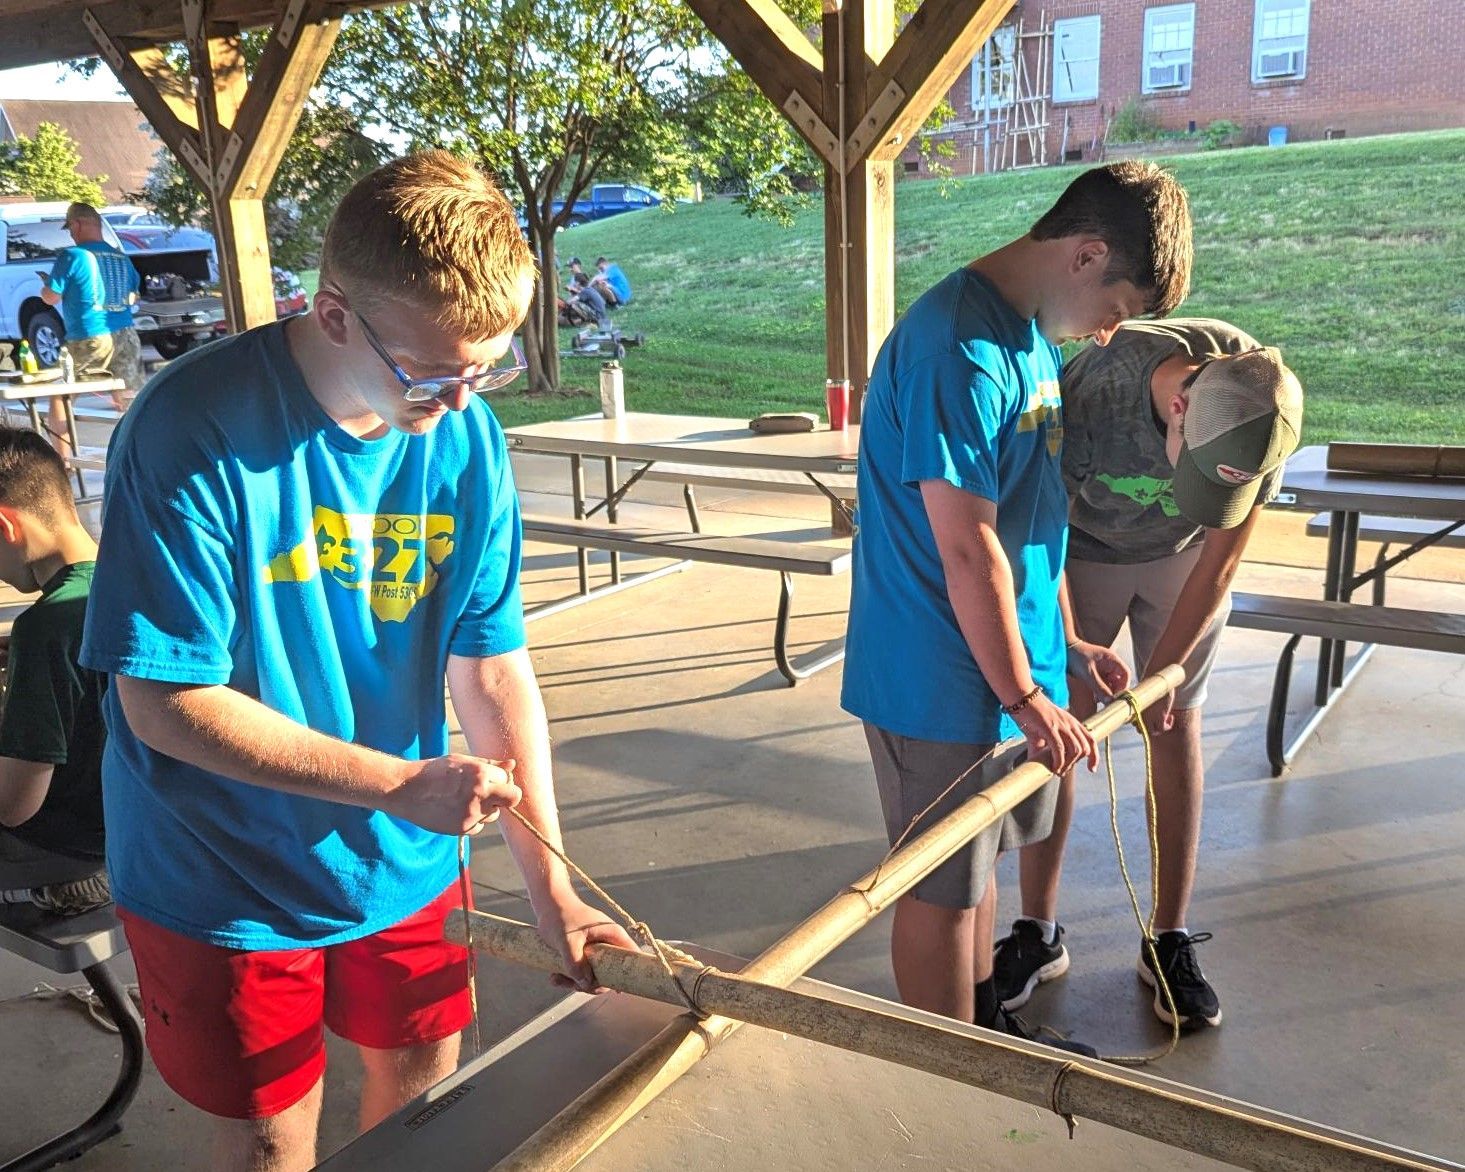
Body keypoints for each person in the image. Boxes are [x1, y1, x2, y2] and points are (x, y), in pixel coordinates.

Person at [79, 151, 635, 1171]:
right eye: (432, 372)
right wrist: (396, 783)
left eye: (491, 366)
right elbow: (163, 700)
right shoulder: (193, 430)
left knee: (424, 1096)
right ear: (332, 314)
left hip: (404, 854)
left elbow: (492, 664)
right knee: (268, 1136)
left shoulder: (466, 441)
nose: (462, 402)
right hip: (220, 867)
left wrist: (551, 884)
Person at [841, 162, 1193, 1052]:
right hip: (938, 671)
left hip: (1010, 662)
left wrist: (1064, 643)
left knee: (982, 860)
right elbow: (965, 545)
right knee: (937, 885)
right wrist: (1023, 695)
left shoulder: (1030, 339)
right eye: (1119, 305)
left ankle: (981, 1026)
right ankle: (943, 1070)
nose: (1113, 332)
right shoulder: (953, 348)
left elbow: (1029, 519)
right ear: (1086, 254)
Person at [993, 322, 1303, 1031]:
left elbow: (1220, 559)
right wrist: (1069, 642)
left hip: (1181, 559)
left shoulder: (1262, 407)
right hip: (1083, 550)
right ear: (1176, 409)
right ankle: (1036, 930)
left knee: (1174, 725)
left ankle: (1167, 938)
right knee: (1057, 731)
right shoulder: (1093, 388)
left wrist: (1163, 674)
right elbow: (1042, 524)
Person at [0, 427, 108, 916]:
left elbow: (14, 805)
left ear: (6, 526)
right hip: (137, 827)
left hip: (71, 852)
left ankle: (52, 891)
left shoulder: (45, 628)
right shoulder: (130, 580)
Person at [40, 202, 143, 440]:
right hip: (126, 334)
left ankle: (63, 462)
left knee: (61, 395)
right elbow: (134, 294)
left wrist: (46, 286)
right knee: (127, 396)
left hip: (89, 336)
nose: (71, 234)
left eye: (70, 229)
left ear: (76, 224)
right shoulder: (121, 257)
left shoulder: (72, 256)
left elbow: (50, 298)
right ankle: (132, 452)